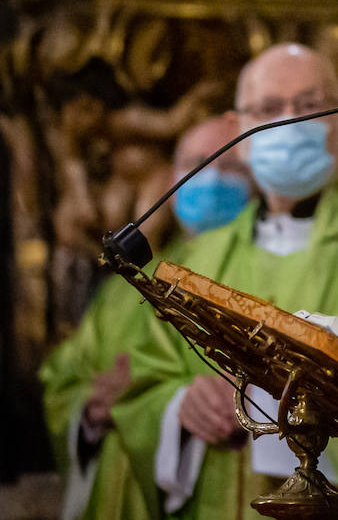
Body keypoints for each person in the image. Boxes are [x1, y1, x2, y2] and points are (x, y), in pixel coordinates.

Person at [113, 44, 338, 520]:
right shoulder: (197, 259)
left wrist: (262, 402)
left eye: (307, 106)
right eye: (267, 109)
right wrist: (178, 408)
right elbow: (143, 382)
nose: (287, 122)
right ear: (239, 132)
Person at [40, 112, 253, 520]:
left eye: (228, 166)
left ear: (255, 180)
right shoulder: (126, 287)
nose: (208, 179)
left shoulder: (262, 274)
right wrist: (88, 411)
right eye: (193, 164)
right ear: (171, 180)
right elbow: (63, 381)